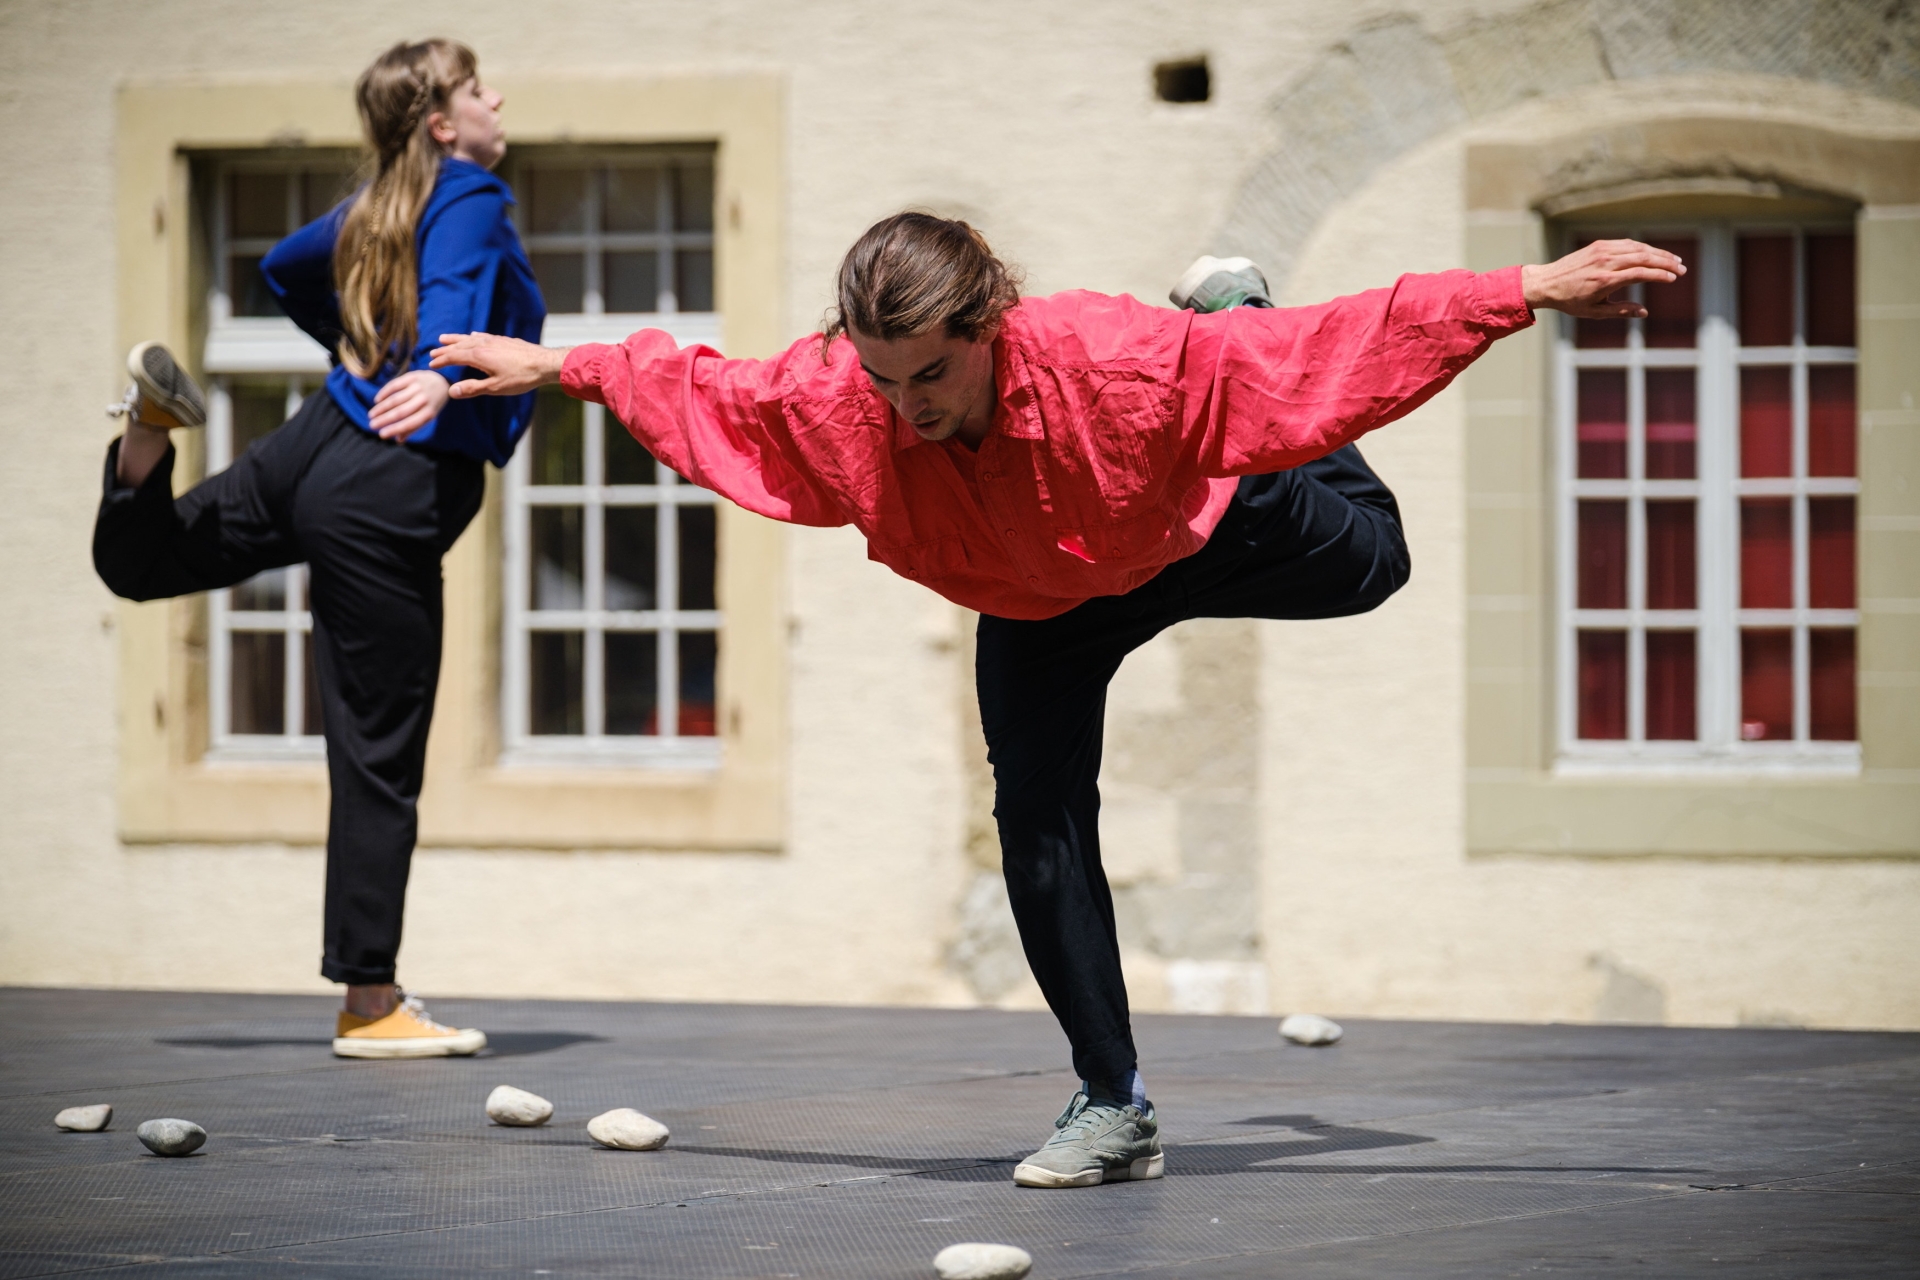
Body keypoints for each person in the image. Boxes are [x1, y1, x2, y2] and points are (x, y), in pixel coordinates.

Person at [435, 213, 1683, 1185]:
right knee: (1035, 821)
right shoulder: (845, 398)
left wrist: (1518, 290)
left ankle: (1233, 304)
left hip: (1188, 522)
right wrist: (559, 365)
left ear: (990, 323)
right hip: (1041, 600)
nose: (907, 408)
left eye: (930, 374)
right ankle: (1112, 1102)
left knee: (1374, 559)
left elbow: (1325, 355)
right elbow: (710, 388)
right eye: (883, 380)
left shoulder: (1115, 360)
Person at [92, 39, 545, 1059]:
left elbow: (284, 269)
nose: (496, 99)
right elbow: (461, 299)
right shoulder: (469, 189)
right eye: (478, 89)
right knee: (378, 750)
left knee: (146, 562)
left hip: (314, 440)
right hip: (388, 481)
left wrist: (364, 342)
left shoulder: (376, 205)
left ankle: (142, 443)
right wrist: (436, 372)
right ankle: (371, 1001)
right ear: (442, 121)